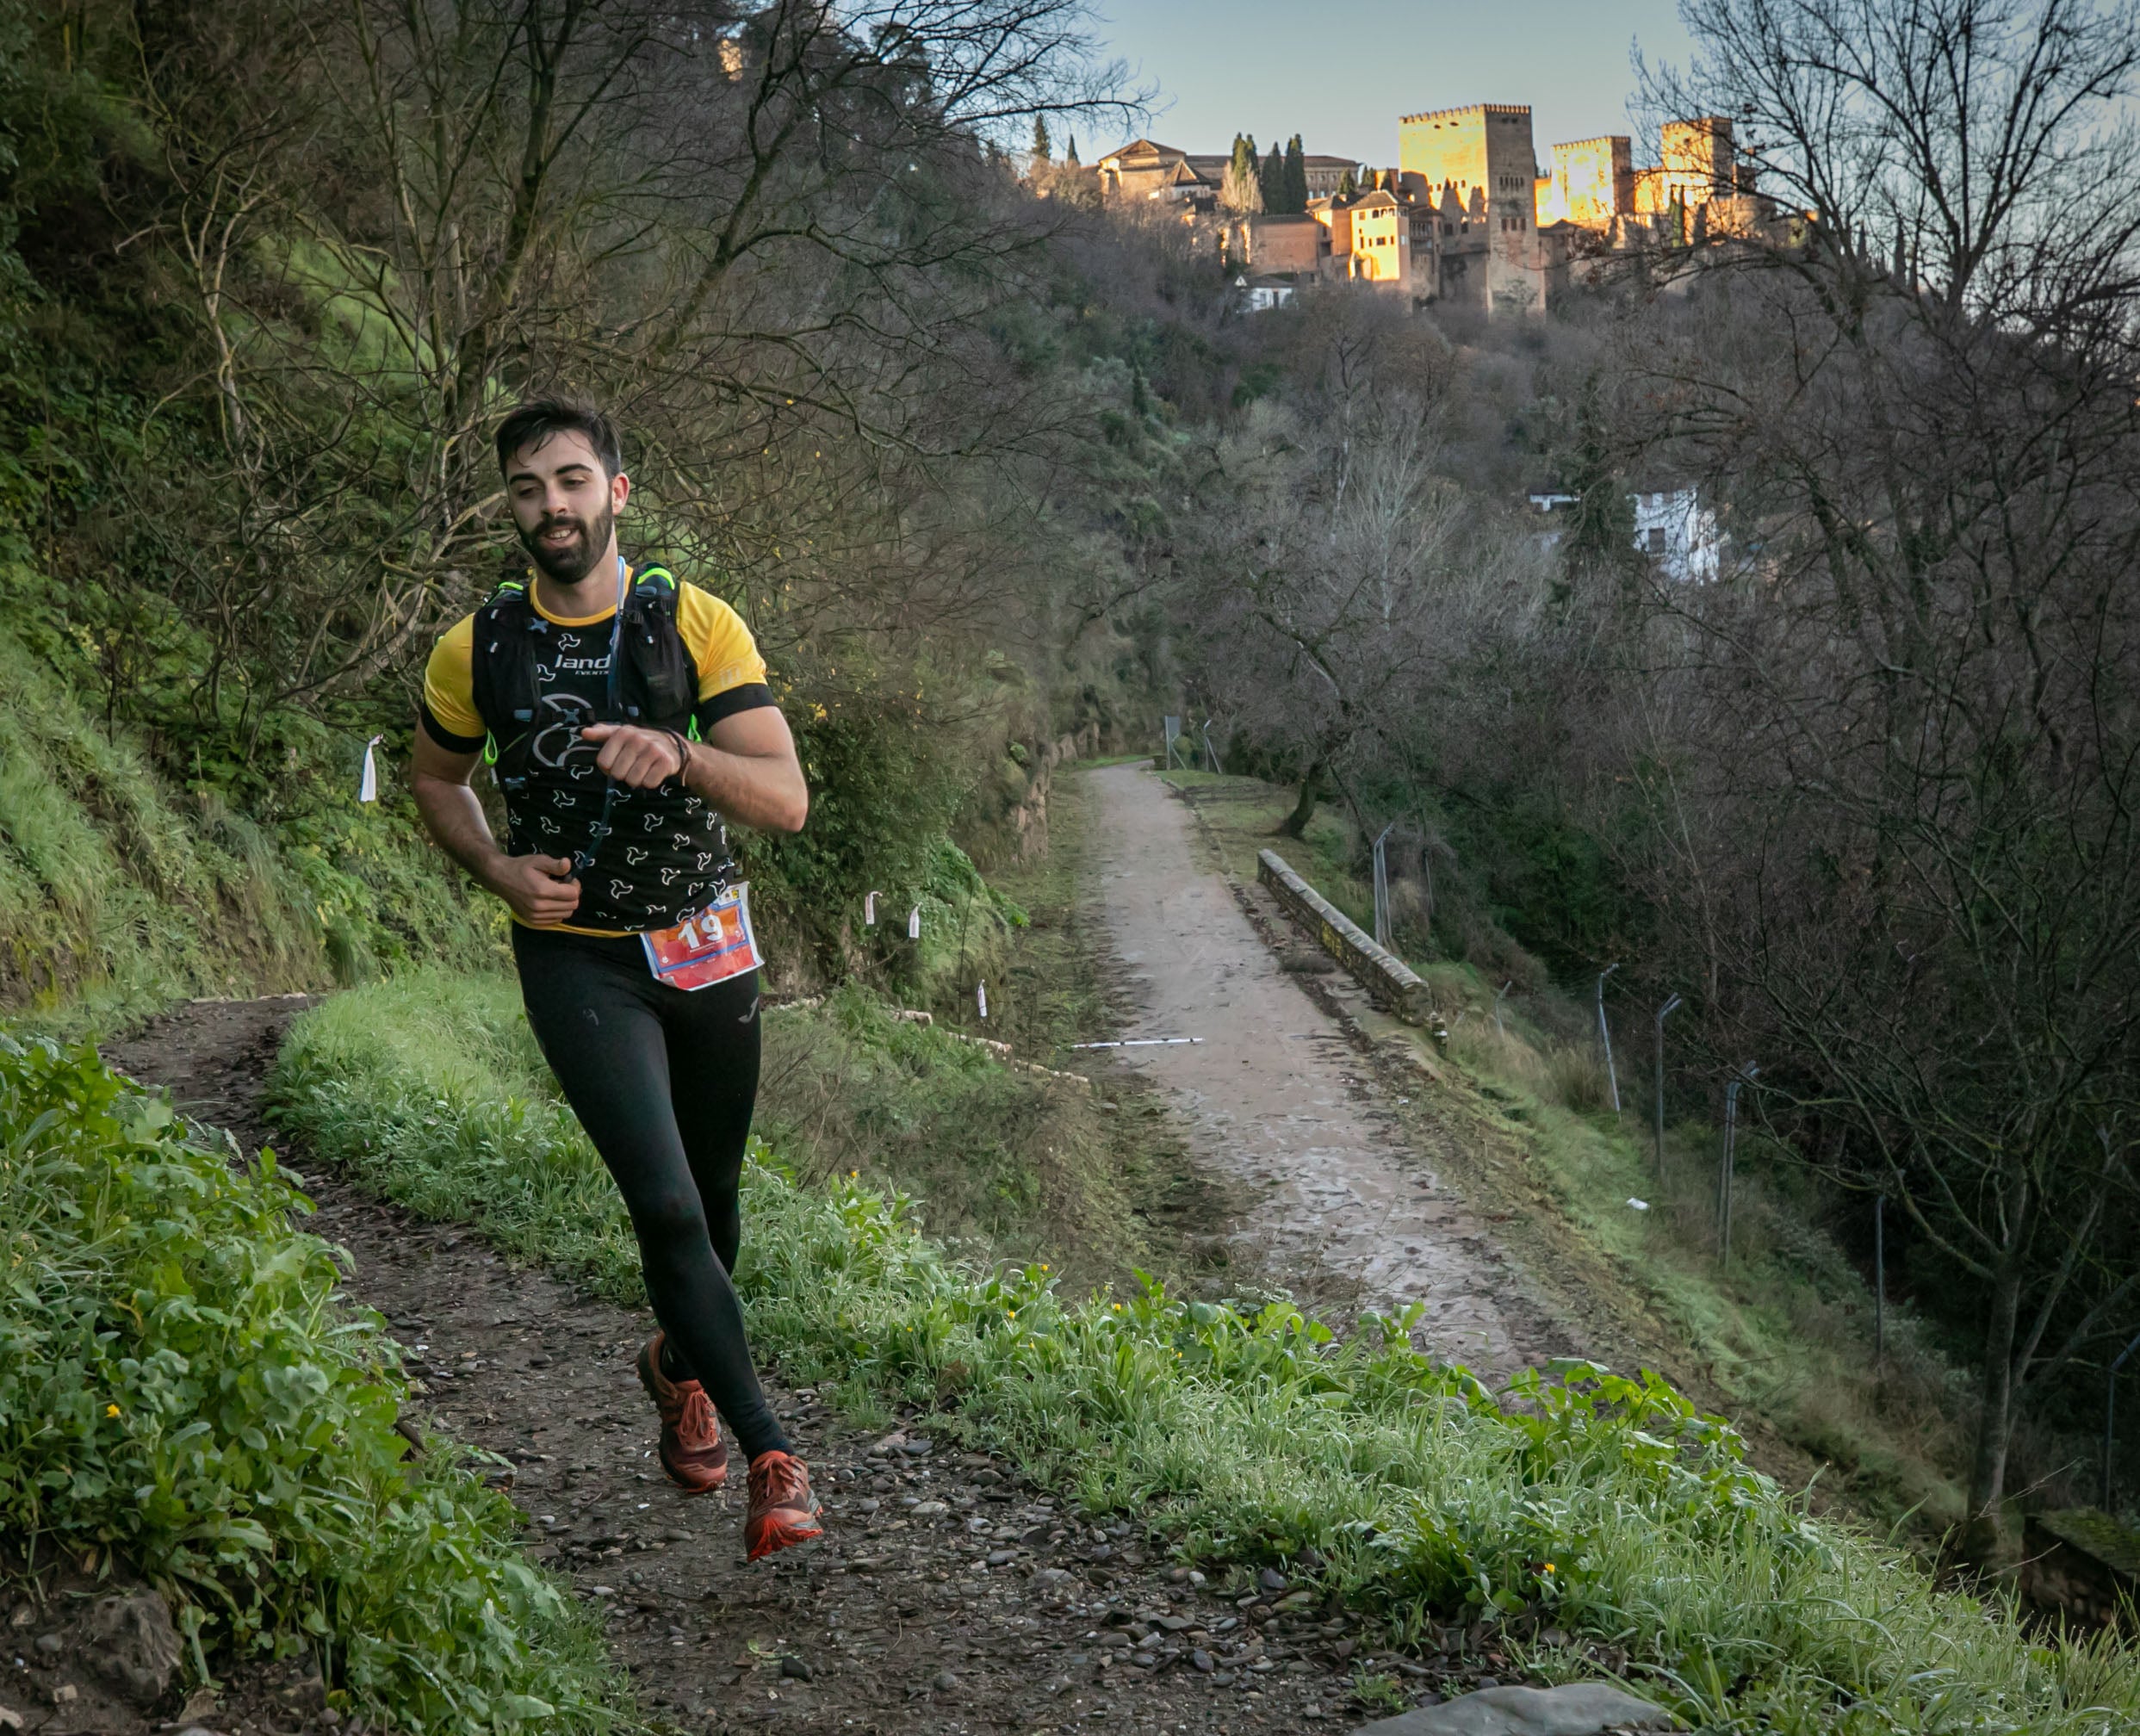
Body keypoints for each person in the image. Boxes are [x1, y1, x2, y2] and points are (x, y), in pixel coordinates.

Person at [410, 397, 822, 1562]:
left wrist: (683, 754)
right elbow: (437, 780)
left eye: (573, 480)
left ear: (617, 492)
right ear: (510, 507)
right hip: (579, 962)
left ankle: (677, 1364)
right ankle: (772, 1458)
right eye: (529, 488)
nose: (552, 506)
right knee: (669, 1206)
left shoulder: (692, 622)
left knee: (717, 1200)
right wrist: (495, 867)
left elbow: (785, 799)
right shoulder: (476, 647)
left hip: (705, 946)